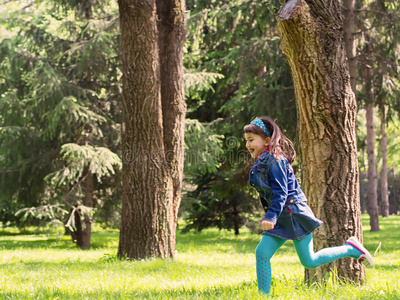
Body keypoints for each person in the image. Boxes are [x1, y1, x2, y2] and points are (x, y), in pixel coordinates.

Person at [244, 116, 373, 295]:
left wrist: (271, 216)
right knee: (264, 253)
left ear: (266, 140)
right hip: (281, 217)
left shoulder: (276, 160)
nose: (247, 144)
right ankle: (263, 296)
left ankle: (351, 249)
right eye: (246, 140)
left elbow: (281, 192)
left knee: (308, 260)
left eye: (251, 140)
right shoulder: (263, 161)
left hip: (293, 213)